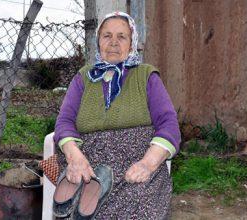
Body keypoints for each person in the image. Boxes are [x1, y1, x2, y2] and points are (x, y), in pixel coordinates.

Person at [54, 11, 181, 219]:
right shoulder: (82, 78)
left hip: (136, 163)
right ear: (98, 42)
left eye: (121, 37)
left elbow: (168, 123)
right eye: (107, 36)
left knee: (142, 204)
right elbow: (65, 121)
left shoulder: (146, 75)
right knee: (79, 203)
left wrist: (148, 164)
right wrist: (74, 157)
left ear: (132, 43)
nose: (114, 42)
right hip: (89, 163)